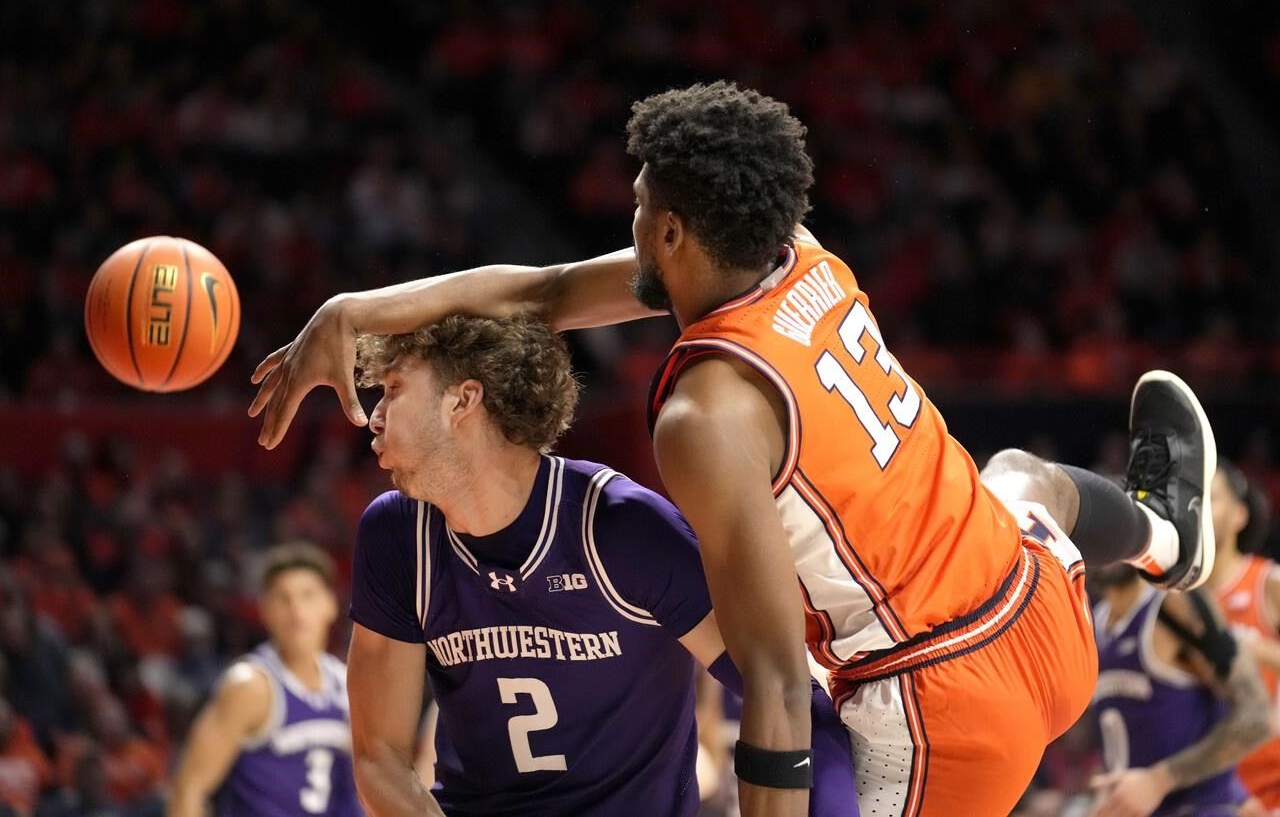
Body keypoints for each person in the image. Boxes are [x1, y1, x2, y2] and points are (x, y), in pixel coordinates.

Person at [250, 81, 1217, 816]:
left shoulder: (704, 418)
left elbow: (777, 682)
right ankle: (1167, 535)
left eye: (636, 210)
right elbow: (542, 291)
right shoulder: (794, 247)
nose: (626, 225)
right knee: (1020, 474)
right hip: (1041, 609)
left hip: (939, 713)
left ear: (669, 231)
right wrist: (353, 312)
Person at [344, 314, 856, 816]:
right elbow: (379, 756)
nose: (376, 415)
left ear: (463, 400)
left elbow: (789, 694)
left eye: (393, 388)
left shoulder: (620, 529)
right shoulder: (398, 535)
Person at [168, 543, 361, 817]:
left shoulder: (346, 685)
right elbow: (189, 789)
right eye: (283, 598)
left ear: (331, 604)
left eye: (308, 596)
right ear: (264, 610)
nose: (296, 610)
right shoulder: (249, 686)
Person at [1089, 563, 1269, 816]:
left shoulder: (1175, 605)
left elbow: (1257, 717)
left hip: (1204, 807)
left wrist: (1158, 781)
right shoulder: (1091, 623)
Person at [1206, 460, 1280, 807]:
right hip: (1209, 792)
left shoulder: (1268, 582)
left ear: (1239, 515)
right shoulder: (1172, 600)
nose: (1199, 509)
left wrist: (1259, 650)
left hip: (1270, 790)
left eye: (1211, 498)